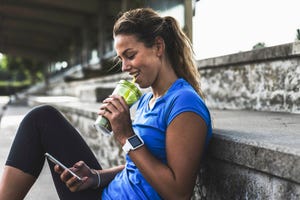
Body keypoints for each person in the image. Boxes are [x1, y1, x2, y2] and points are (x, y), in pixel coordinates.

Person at [0, 8, 212, 200]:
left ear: (158, 46)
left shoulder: (184, 103)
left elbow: (178, 193)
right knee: (41, 119)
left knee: (41, 119)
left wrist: (126, 136)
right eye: (121, 59)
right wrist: (96, 177)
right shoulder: (148, 99)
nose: (124, 67)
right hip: (106, 193)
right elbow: (136, 169)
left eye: (130, 55)